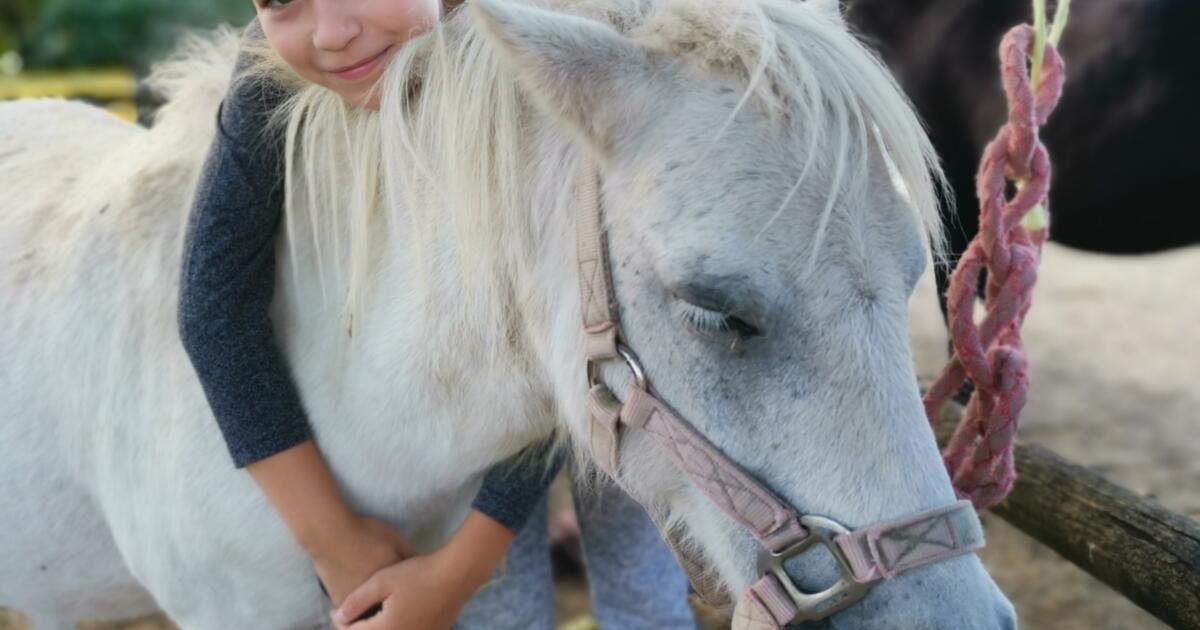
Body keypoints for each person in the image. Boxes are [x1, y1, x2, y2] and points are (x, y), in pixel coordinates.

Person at [177, 1, 697, 628]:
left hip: (623, 347)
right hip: (484, 393)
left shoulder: (549, 42)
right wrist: (335, 545)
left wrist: (459, 570)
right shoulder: (272, 73)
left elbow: (575, 331)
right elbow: (213, 305)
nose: (333, 34)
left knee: (640, 574)